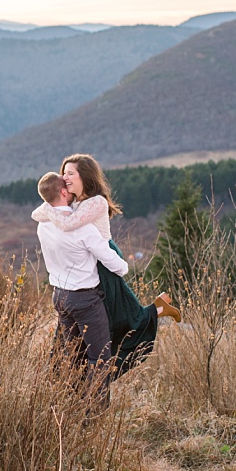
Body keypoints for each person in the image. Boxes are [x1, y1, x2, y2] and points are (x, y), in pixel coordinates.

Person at [32, 153, 181, 378]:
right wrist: (50, 206)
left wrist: (50, 208)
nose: (66, 177)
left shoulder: (95, 202)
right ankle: (158, 308)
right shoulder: (73, 202)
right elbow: (36, 213)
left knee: (121, 320)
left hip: (105, 260)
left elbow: (67, 222)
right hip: (90, 261)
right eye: (64, 173)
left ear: (85, 176)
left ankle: (156, 311)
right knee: (105, 324)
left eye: (71, 173)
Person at [35, 172, 128, 410]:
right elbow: (115, 263)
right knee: (99, 358)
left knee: (73, 354)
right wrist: (123, 266)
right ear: (64, 192)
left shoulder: (43, 226)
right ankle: (94, 414)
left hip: (60, 297)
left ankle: (69, 406)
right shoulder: (83, 229)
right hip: (85, 299)